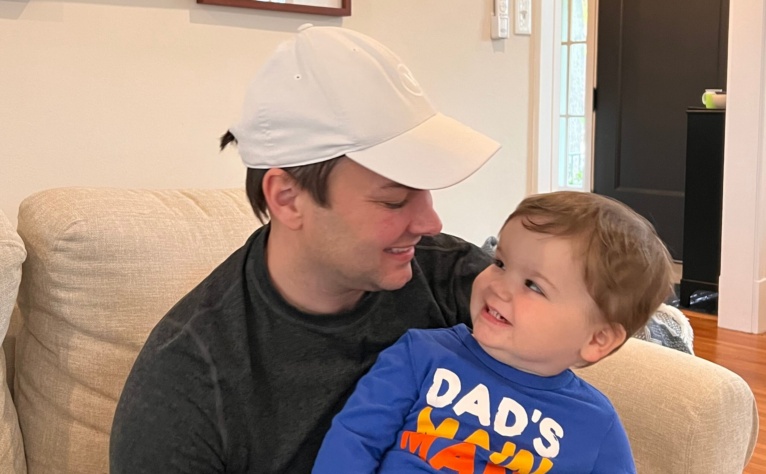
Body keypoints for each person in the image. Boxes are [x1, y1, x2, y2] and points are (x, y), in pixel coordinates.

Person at [109, 24, 501, 473]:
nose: (431, 223)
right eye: (394, 200)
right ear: (287, 198)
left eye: (425, 191)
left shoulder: (453, 279)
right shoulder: (188, 383)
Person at [311, 191, 676, 474]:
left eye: (533, 285)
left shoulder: (595, 424)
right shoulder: (420, 354)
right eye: (500, 263)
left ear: (597, 340)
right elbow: (355, 440)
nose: (500, 286)